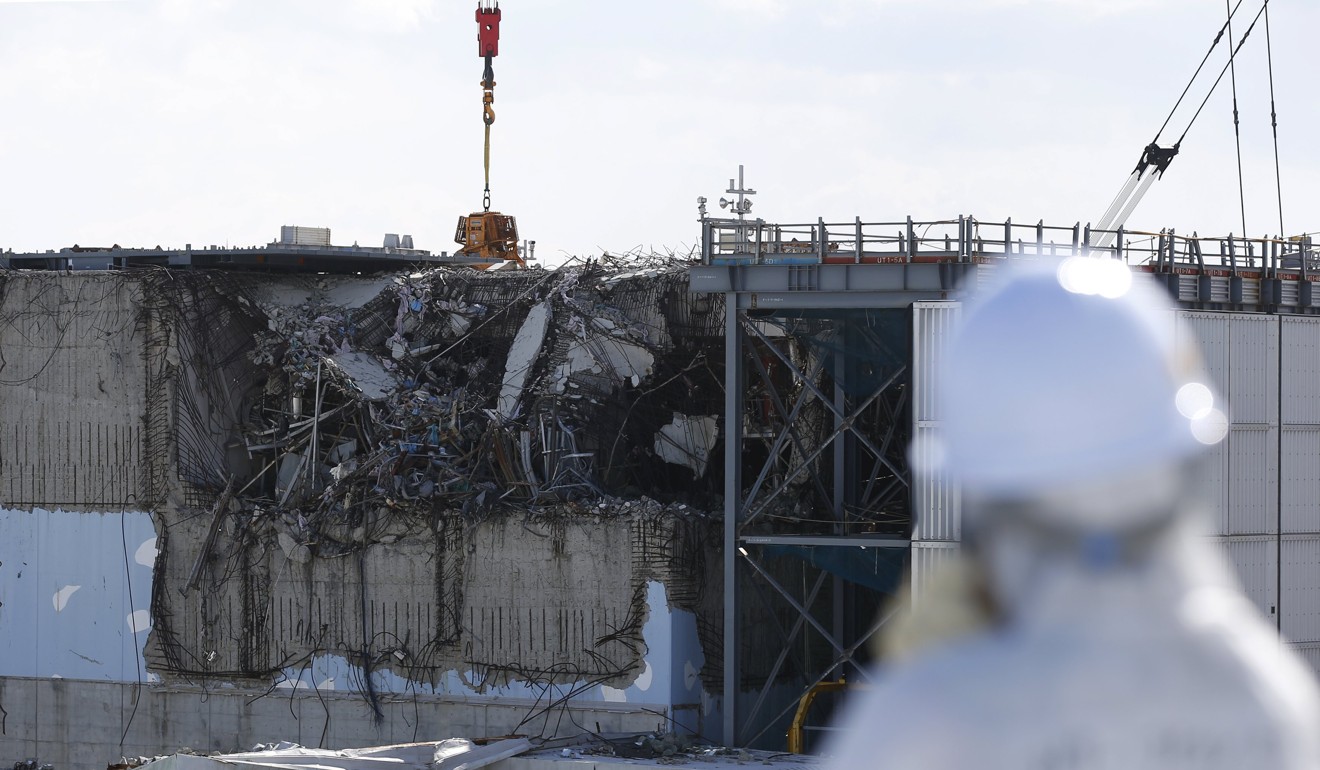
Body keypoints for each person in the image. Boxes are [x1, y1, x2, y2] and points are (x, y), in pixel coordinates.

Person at [825, 256, 1320, 769]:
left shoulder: (931, 720)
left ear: (980, 492)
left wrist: (921, 678)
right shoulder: (1271, 699)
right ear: (1185, 463)